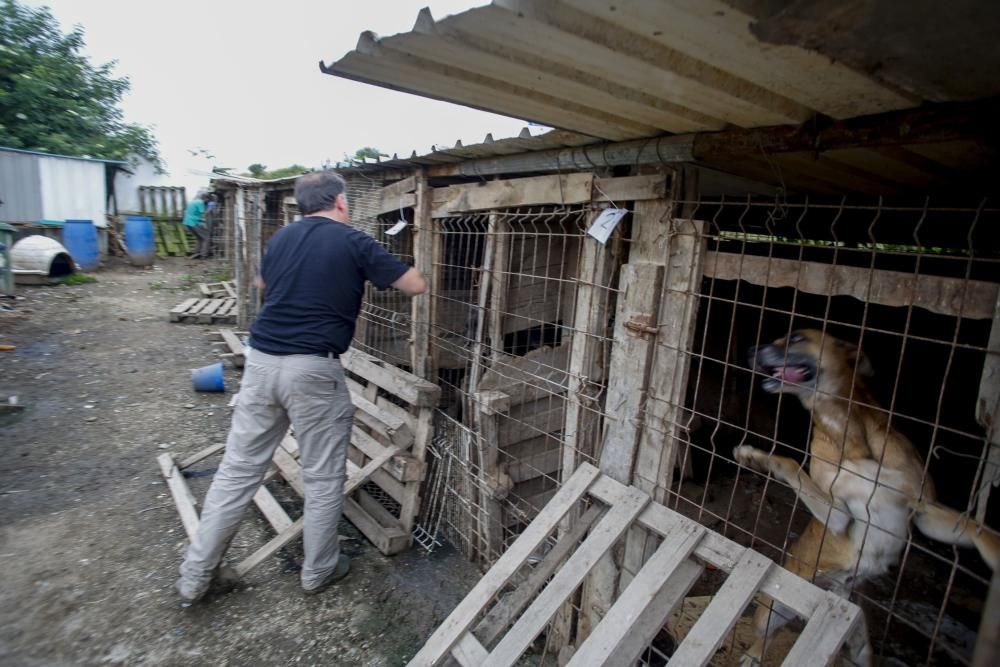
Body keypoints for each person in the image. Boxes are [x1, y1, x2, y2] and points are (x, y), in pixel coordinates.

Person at [175, 171, 426, 605]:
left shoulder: (280, 240)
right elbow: (414, 285)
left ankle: (195, 578)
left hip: (262, 362)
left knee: (237, 472)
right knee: (324, 476)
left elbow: (261, 285)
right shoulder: (353, 241)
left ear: (303, 204)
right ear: (341, 202)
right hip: (313, 369)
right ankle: (319, 570)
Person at [182, 191, 211, 259]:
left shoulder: (194, 201)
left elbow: (187, 212)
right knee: (206, 237)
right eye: (208, 200)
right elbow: (204, 214)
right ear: (205, 199)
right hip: (194, 222)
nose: (208, 201)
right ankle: (204, 255)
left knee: (199, 238)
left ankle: (196, 252)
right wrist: (210, 208)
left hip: (187, 222)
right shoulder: (200, 203)